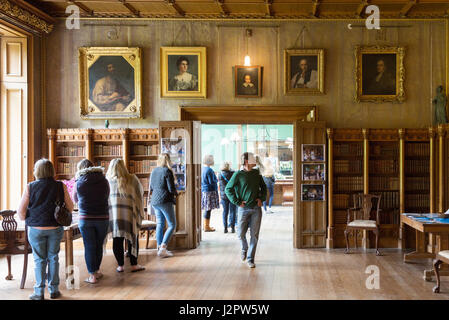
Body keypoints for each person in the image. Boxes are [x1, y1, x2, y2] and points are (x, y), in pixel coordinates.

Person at [17, 159, 74, 300]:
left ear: (37, 171)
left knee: (39, 260)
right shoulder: (60, 186)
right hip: (55, 227)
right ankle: (54, 290)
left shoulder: (30, 187)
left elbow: (21, 212)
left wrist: (29, 217)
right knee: (53, 258)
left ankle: (39, 292)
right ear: (52, 171)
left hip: (35, 229)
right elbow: (71, 207)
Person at [225, 152, 267, 268]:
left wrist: (262, 199)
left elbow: (264, 188)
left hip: (256, 209)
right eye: (253, 159)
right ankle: (244, 248)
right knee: (240, 234)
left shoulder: (256, 173)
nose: (256, 161)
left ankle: (250, 258)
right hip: (243, 209)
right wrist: (237, 202)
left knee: (254, 235)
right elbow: (228, 189)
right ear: (247, 161)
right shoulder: (238, 174)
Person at [73, 159, 110, 284]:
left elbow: (75, 199)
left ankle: (92, 275)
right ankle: (97, 271)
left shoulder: (79, 182)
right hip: (102, 217)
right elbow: (107, 195)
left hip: (85, 218)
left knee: (89, 246)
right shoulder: (104, 180)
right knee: (99, 245)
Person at [106, 158, 145, 273]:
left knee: (117, 240)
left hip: (115, 216)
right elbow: (140, 193)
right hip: (129, 215)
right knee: (133, 238)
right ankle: (134, 265)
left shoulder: (107, 181)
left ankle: (120, 266)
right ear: (124, 167)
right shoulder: (132, 179)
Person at [150, 153, 178, 258]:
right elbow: (171, 188)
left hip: (155, 201)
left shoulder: (154, 170)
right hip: (165, 200)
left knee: (160, 224)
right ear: (168, 160)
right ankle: (163, 247)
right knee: (172, 225)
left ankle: (159, 247)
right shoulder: (167, 171)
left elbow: (152, 186)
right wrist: (176, 193)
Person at [201, 154, 220, 232]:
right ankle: (206, 226)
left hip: (204, 190)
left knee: (206, 209)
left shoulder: (203, 169)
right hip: (210, 191)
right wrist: (217, 178)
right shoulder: (209, 170)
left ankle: (205, 225)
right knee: (208, 209)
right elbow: (212, 181)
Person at [218, 162, 237, 233]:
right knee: (233, 211)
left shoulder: (220, 174)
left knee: (225, 212)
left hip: (223, 196)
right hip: (232, 195)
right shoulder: (233, 173)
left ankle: (225, 228)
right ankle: (232, 228)